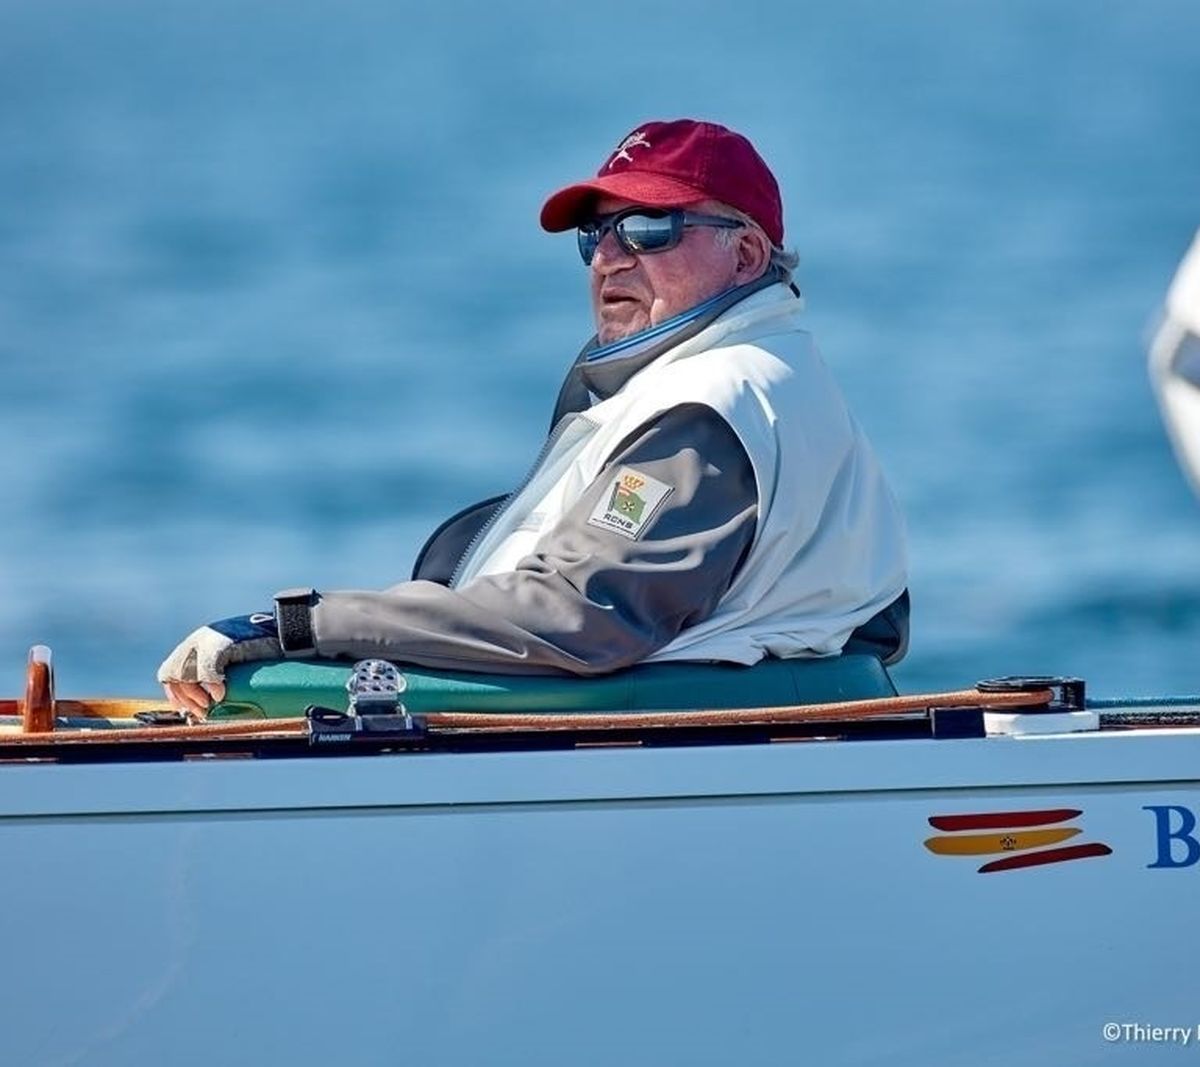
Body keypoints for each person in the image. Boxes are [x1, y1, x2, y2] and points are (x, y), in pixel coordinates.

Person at [159, 118, 909, 715]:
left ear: (746, 254)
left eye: (649, 229)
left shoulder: (709, 403)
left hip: (647, 762)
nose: (609, 258)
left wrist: (304, 626)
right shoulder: (775, 376)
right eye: (598, 235)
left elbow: (578, 615)